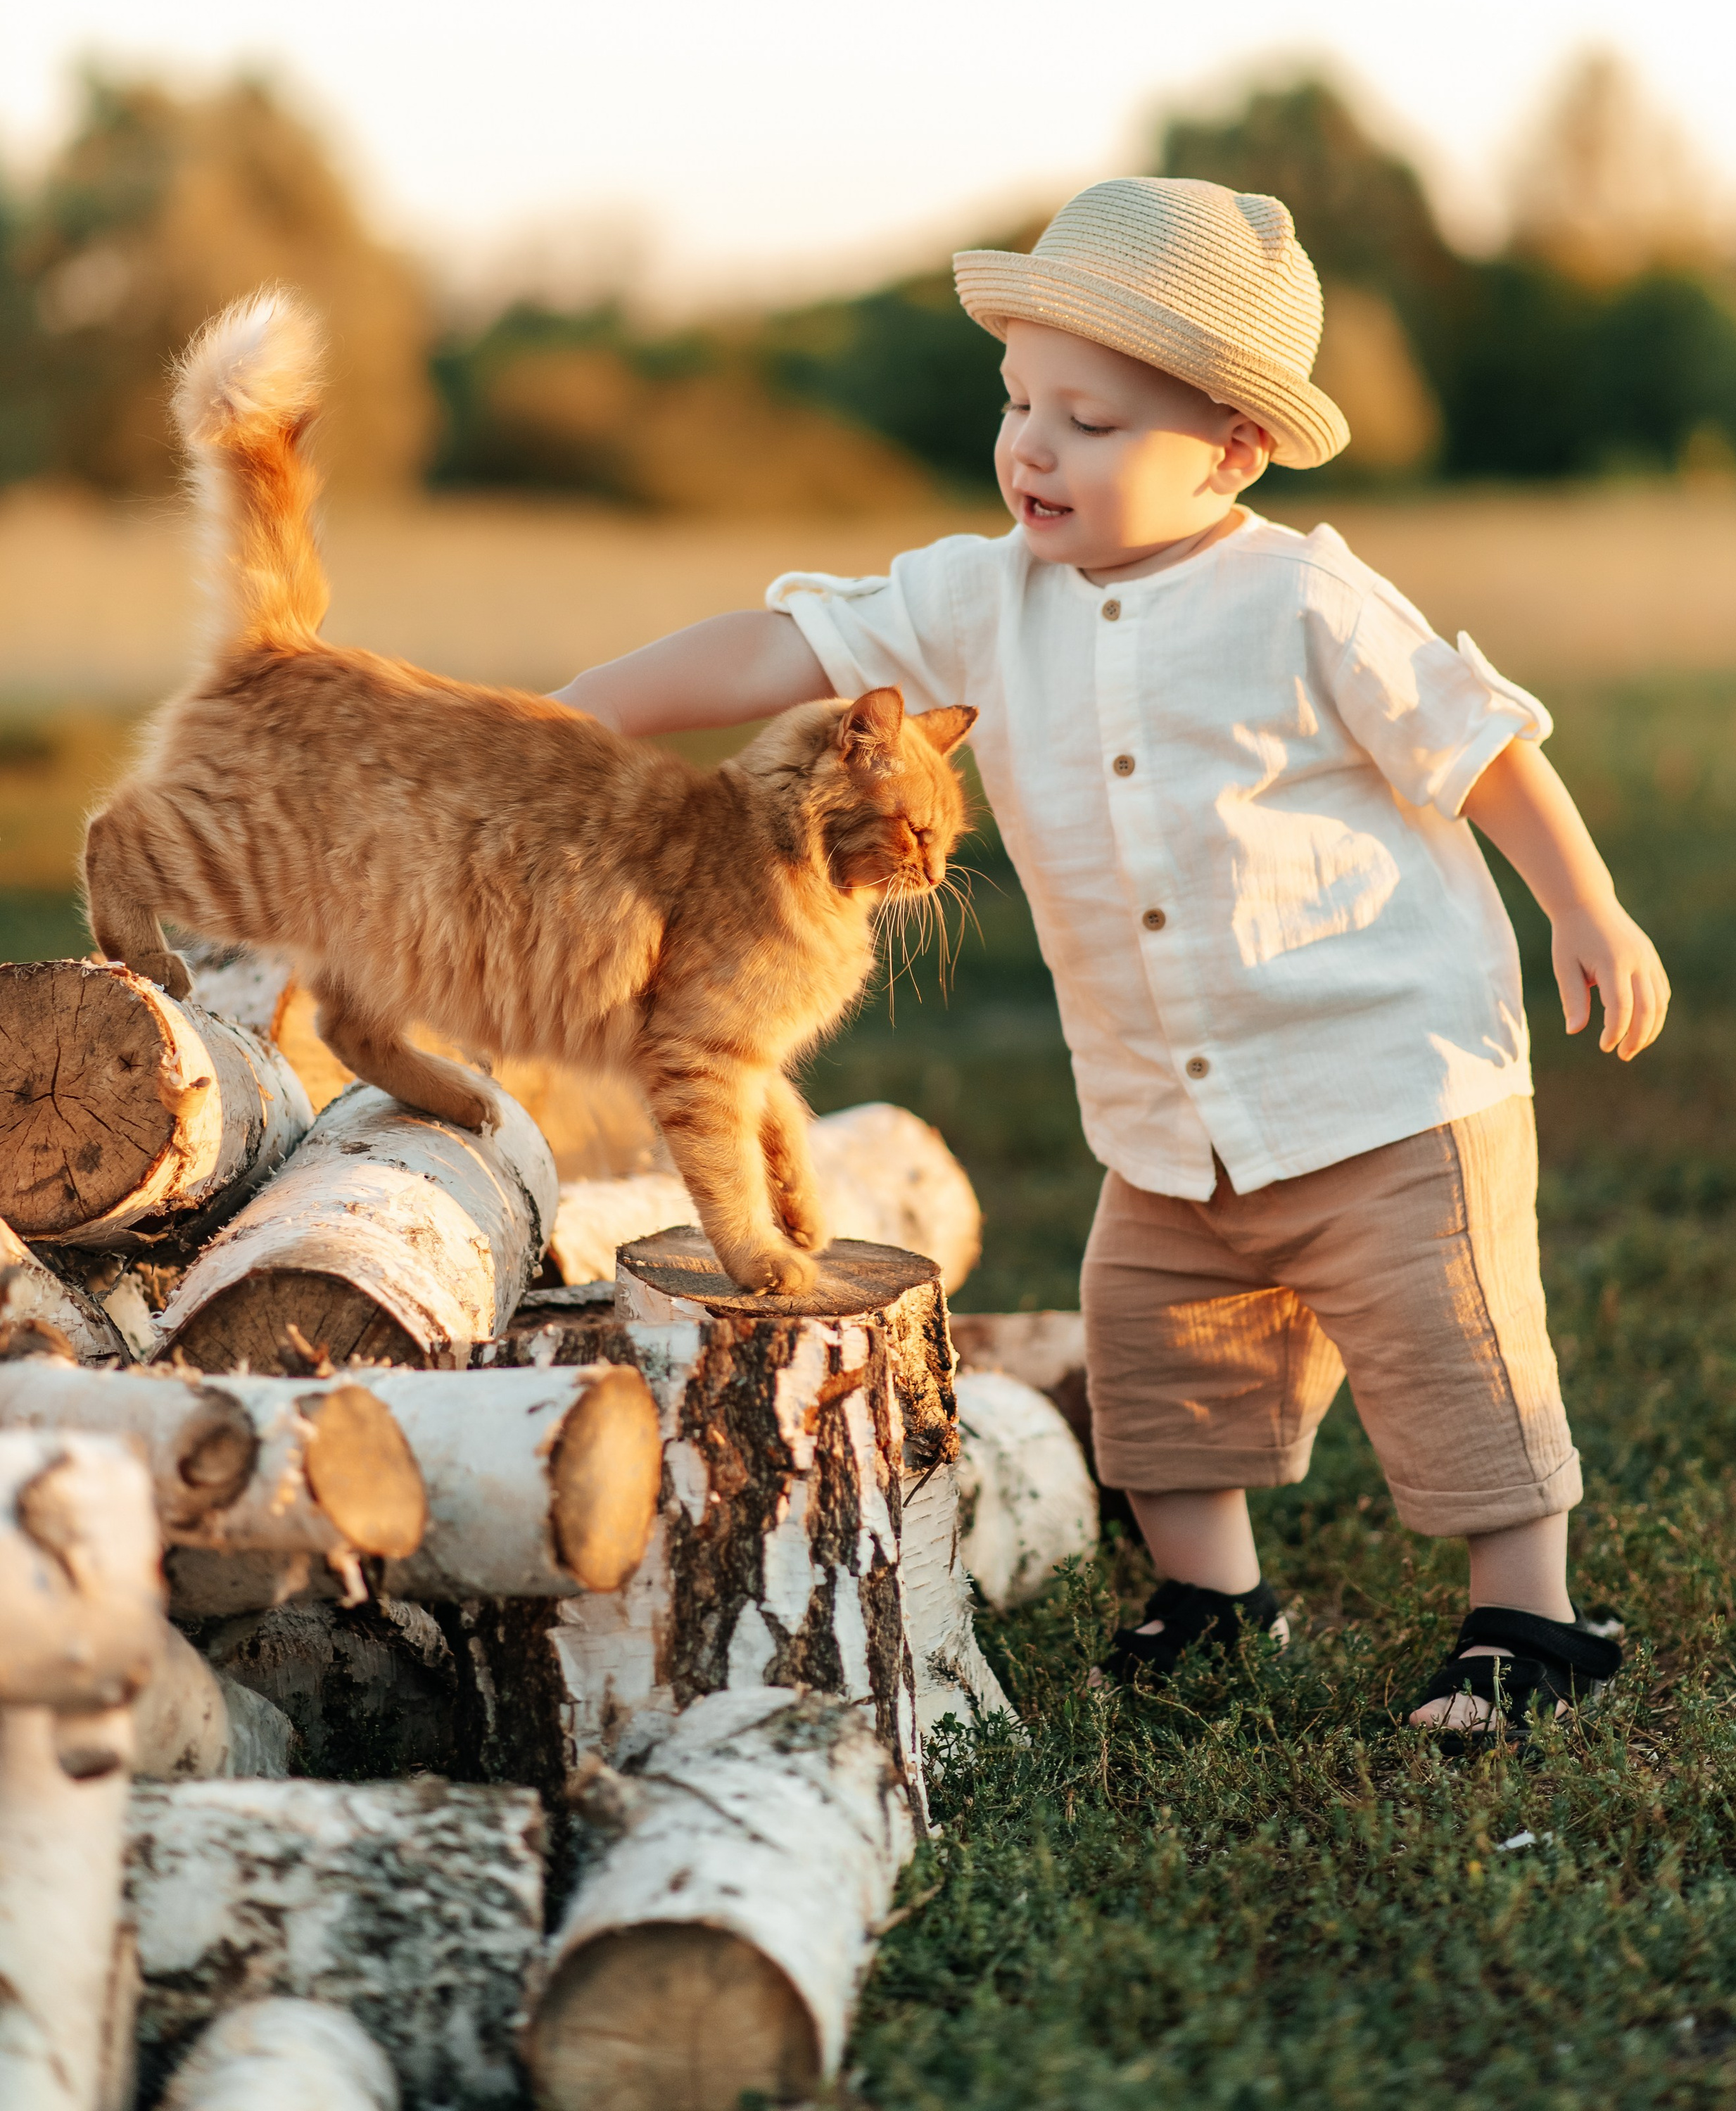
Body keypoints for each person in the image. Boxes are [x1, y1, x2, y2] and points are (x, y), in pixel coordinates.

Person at [553, 177, 1669, 1742]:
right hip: (1164, 1111)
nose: (1029, 446)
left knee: (1452, 1350)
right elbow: (775, 648)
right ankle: (1211, 1597)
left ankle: (1523, 1614)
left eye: (1085, 419)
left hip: (1383, 1075)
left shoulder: (1301, 596)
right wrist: (572, 714)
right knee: (1158, 1368)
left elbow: (1474, 745)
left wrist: (1584, 903)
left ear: (1229, 447)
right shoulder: (974, 598)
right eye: (1016, 403)